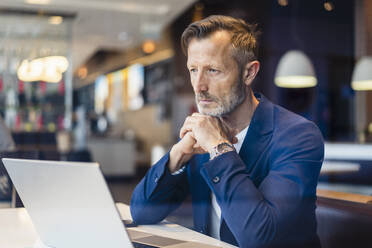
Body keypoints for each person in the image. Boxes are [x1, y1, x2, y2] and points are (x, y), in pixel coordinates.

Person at [130, 15, 324, 248]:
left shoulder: (298, 136)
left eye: (212, 70)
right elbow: (141, 212)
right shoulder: (202, 133)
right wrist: (178, 155)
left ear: (249, 73)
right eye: (193, 70)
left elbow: (261, 237)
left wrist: (219, 148)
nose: (199, 86)